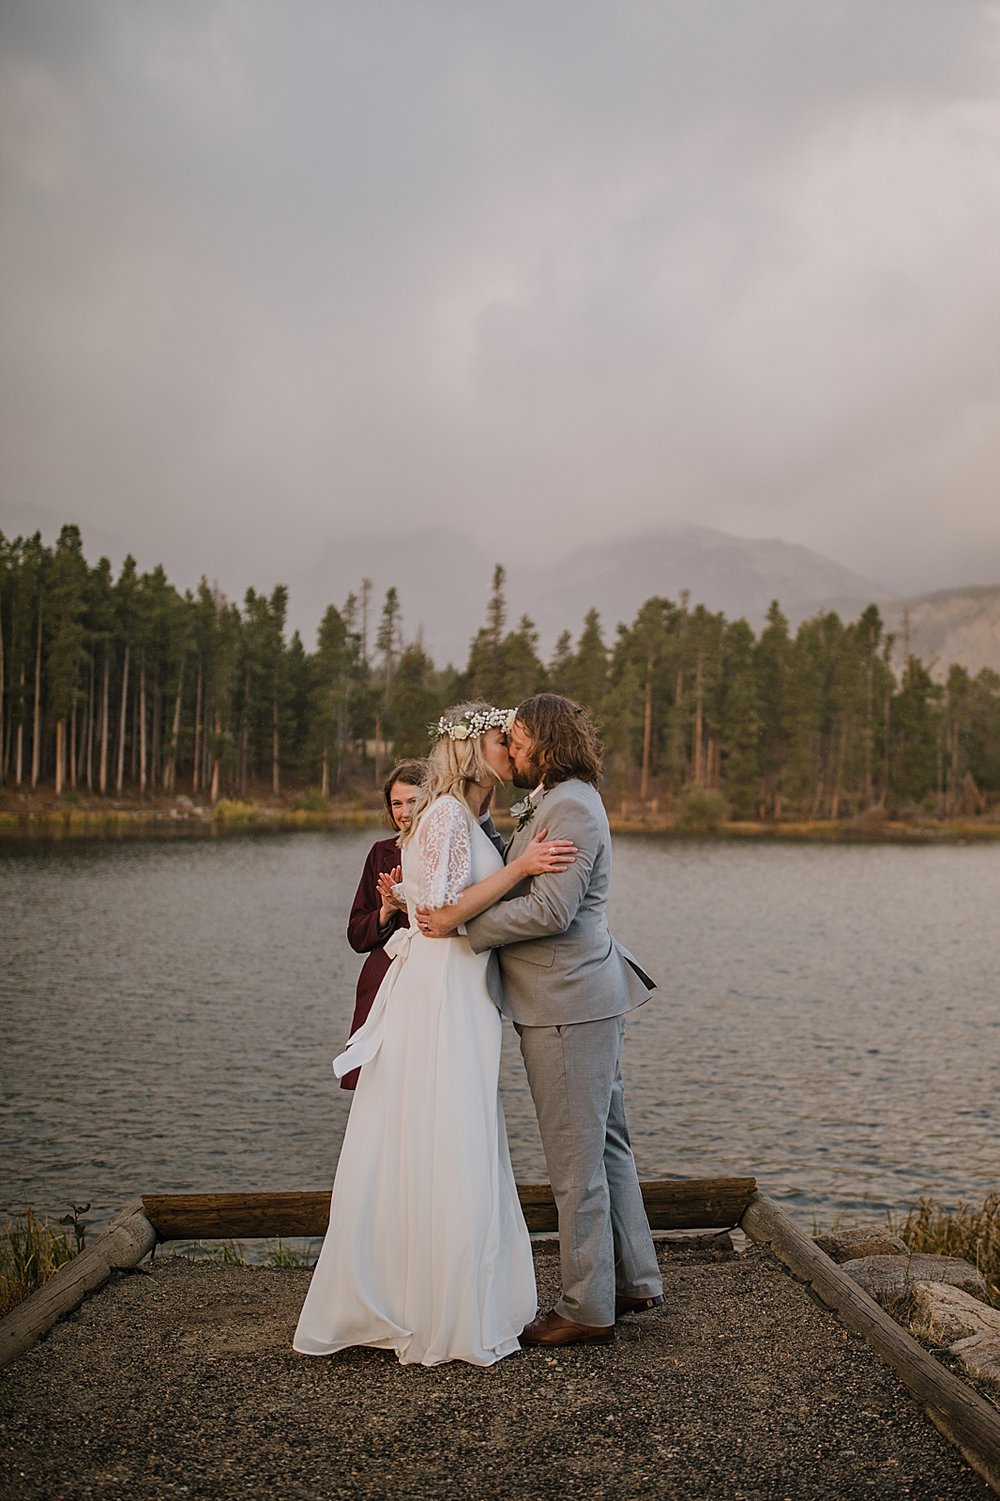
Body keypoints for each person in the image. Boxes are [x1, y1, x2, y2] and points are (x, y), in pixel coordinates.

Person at [294, 704, 576, 1367]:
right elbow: (443, 918)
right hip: (443, 990)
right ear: (476, 750)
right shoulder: (448, 814)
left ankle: (446, 1292)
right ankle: (438, 1307)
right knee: (449, 1128)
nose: (513, 750)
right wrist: (522, 866)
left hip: (462, 990)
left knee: (455, 1127)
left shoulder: (468, 817)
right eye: (503, 741)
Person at [417, 692, 662, 1347]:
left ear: (547, 745)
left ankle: (586, 1307)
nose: (512, 750)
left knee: (575, 1162)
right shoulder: (559, 799)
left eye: (520, 741)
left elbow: (550, 911)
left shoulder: (572, 807)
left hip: (566, 1006)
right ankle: (632, 1279)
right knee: (606, 1147)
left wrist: (463, 925)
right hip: (582, 998)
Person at [340, 760, 425, 1091]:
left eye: (413, 801)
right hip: (383, 980)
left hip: (427, 978)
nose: (404, 812)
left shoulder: (444, 850)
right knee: (380, 1082)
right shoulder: (380, 854)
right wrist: (385, 911)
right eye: (396, 803)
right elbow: (356, 935)